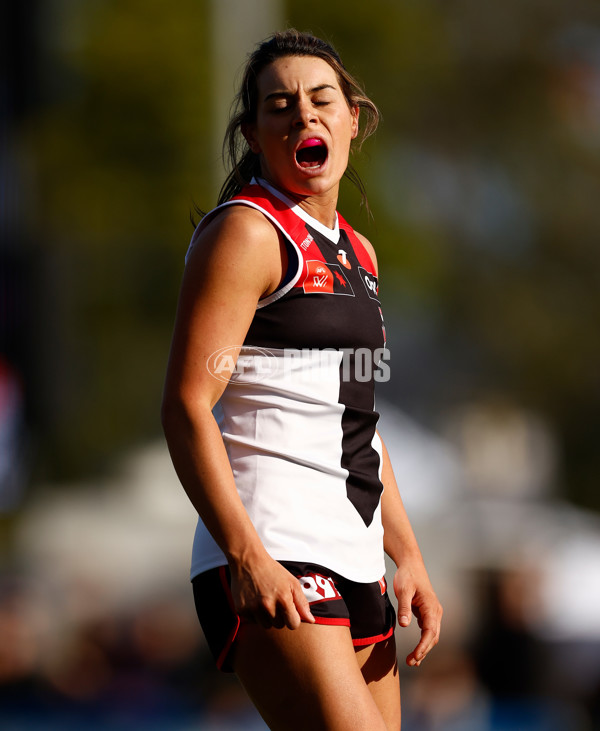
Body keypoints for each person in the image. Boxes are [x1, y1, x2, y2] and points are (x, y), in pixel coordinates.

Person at [161, 29, 442, 731]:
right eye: (279, 106)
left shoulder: (361, 253)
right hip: (276, 544)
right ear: (254, 134)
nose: (303, 116)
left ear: (353, 119)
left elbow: (360, 425)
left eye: (321, 100)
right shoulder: (248, 233)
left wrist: (406, 555)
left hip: (354, 551)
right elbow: (187, 405)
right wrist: (246, 556)